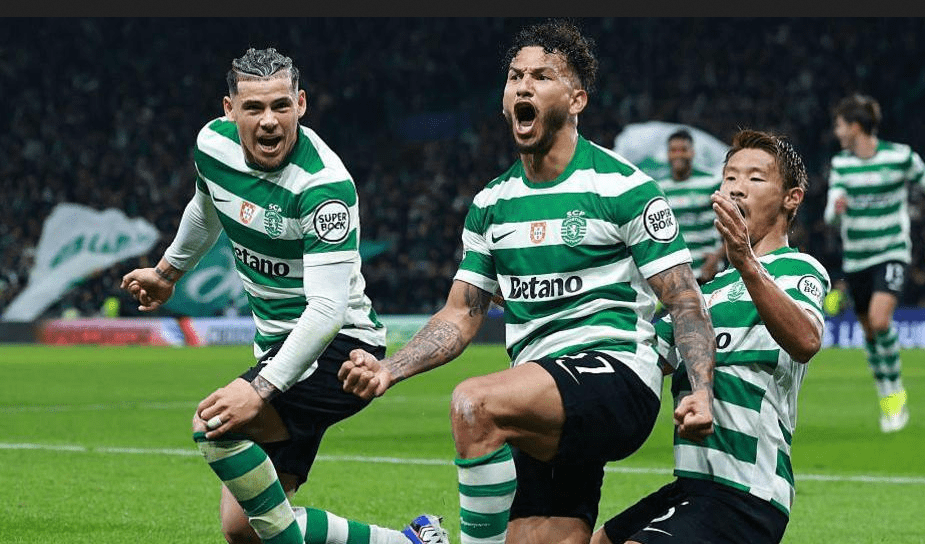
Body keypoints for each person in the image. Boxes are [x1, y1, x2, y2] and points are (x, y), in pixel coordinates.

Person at [338, 19, 716, 544]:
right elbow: (461, 314)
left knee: (474, 403)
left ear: (576, 100)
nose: (523, 86)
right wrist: (388, 369)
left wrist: (701, 391)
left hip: (616, 377)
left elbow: (685, 301)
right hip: (541, 393)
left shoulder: (624, 189)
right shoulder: (492, 205)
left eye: (541, 76)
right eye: (515, 76)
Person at [120, 47, 448, 544]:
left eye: (281, 105)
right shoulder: (212, 146)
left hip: (340, 349)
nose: (269, 121)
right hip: (279, 346)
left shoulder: (324, 187)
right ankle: (410, 542)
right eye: (253, 108)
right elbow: (205, 208)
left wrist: (260, 388)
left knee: (213, 424)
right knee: (245, 529)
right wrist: (168, 272)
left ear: (301, 104)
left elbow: (327, 310)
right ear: (229, 110)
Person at [592, 129, 830, 544]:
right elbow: (639, 356)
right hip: (692, 486)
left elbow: (806, 341)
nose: (737, 187)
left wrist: (746, 263)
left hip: (747, 493)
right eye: (730, 176)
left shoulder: (798, 270)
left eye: (755, 177)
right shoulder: (701, 296)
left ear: (792, 198)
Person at [823, 93, 925, 433]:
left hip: (891, 251)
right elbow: (831, 212)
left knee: (880, 322)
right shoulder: (842, 164)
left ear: (855, 126)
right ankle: (886, 394)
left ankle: (895, 395)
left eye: (840, 125)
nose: (837, 132)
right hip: (856, 259)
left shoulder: (900, 157)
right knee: (869, 332)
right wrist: (836, 210)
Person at [657, 129, 725, 284]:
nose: (678, 155)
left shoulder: (712, 182)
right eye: (673, 150)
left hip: (709, 272)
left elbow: (735, 223)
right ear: (668, 154)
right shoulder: (660, 188)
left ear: (692, 152)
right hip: (677, 276)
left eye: (683, 150)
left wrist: (718, 256)